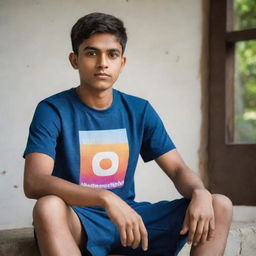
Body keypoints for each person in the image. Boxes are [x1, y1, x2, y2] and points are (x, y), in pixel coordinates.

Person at [23, 12, 232, 256]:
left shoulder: (139, 110)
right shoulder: (52, 110)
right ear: (74, 60)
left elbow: (177, 169)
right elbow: (35, 181)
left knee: (220, 205)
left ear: (122, 62)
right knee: (47, 207)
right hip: (80, 219)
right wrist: (105, 198)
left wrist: (200, 192)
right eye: (91, 53)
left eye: (112, 54)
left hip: (131, 217)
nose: (102, 63)